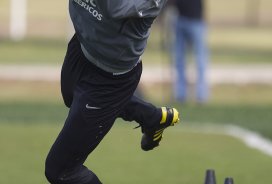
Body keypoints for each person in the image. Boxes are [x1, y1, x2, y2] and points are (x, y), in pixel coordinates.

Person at [45, 0, 180, 184]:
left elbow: (114, 7)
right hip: (83, 45)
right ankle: (151, 117)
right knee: (71, 96)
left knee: (60, 170)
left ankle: (151, 117)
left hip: (109, 78)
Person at [172, 0, 209, 103]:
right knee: (179, 59)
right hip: (180, 18)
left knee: (200, 59)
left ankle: (201, 95)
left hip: (196, 20)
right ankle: (181, 94)